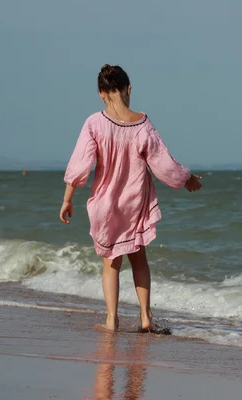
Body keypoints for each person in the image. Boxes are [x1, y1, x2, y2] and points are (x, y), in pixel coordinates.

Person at [59, 64, 202, 333]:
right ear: (129, 89)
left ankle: (112, 320)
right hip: (135, 202)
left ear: (100, 93)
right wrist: (187, 179)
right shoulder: (143, 124)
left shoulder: (94, 123)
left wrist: (68, 199)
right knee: (139, 259)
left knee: (111, 263)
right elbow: (163, 163)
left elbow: (80, 164)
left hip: (105, 203)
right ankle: (145, 317)